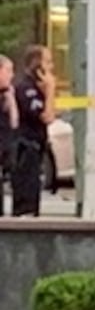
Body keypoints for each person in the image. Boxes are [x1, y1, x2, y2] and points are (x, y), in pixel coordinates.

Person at [10, 44, 56, 217]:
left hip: (35, 150)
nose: (51, 67)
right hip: (26, 150)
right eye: (48, 62)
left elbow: (52, 113)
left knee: (34, 197)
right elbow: (47, 117)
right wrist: (51, 89)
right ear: (37, 65)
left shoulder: (36, 89)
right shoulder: (26, 89)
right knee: (26, 203)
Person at [0, 54, 18, 216]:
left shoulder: (6, 96)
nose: (11, 75)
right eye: (8, 71)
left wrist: (10, 99)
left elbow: (14, 122)